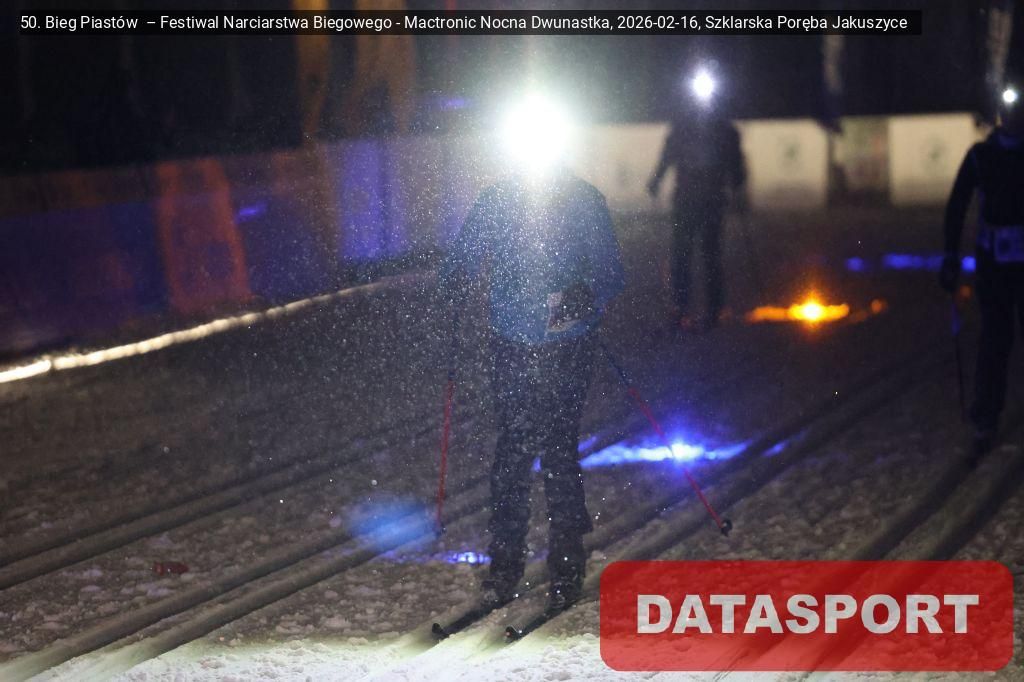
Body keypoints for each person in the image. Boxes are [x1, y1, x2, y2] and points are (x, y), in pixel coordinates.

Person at [440, 160, 625, 614]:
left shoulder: (583, 199)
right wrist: (452, 288)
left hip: (569, 343)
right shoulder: (498, 199)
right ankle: (505, 563)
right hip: (511, 340)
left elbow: (611, 271)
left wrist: (588, 292)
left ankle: (567, 563)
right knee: (514, 448)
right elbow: (463, 258)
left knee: (559, 446)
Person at [941, 79, 1024, 459]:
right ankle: (985, 418)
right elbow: (957, 206)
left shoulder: (987, 154)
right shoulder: (982, 155)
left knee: (997, 340)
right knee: (995, 340)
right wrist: (950, 256)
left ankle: (986, 417)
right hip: (995, 265)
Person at [647, 69, 747, 329]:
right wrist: (656, 179)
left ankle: (709, 308)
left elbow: (735, 161)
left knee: (706, 253)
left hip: (707, 198)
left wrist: (738, 183)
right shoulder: (689, 128)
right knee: (686, 253)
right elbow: (668, 155)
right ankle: (683, 307)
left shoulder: (721, 129)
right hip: (691, 199)